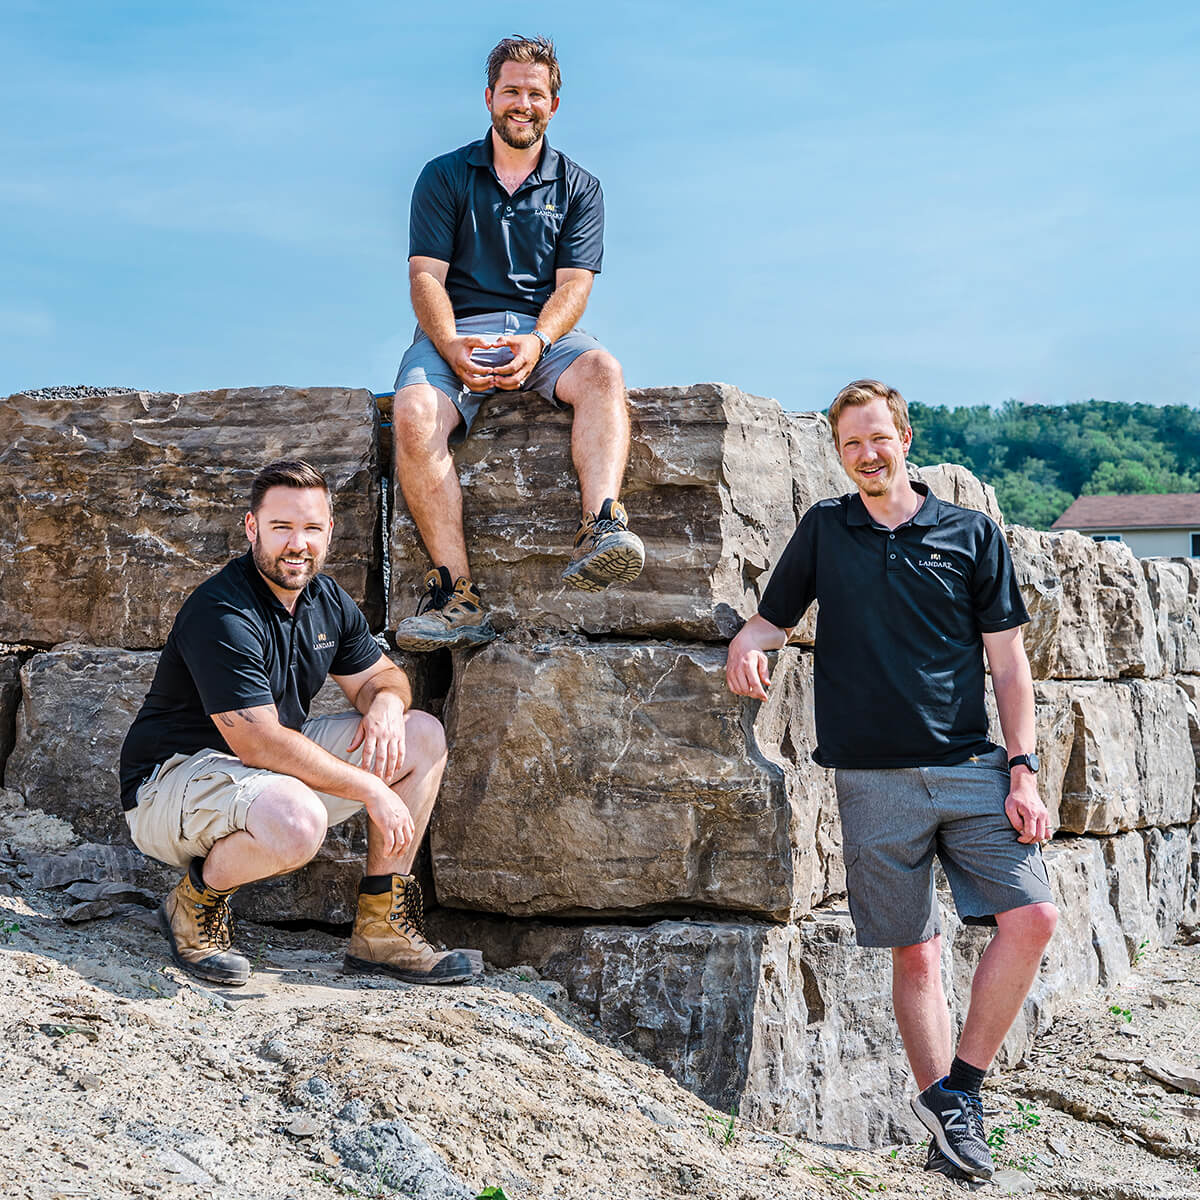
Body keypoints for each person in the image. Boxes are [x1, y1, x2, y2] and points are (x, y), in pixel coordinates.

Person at [725, 380, 1058, 1182]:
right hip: (872, 781)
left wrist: (1024, 770)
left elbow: (1008, 665)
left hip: (973, 768)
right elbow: (775, 615)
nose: (867, 455)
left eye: (879, 439)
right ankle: (948, 1122)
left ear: (904, 438)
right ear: (838, 456)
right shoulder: (824, 530)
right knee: (916, 953)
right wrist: (748, 641)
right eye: (851, 446)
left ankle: (960, 1091)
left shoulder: (970, 533)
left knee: (1034, 916)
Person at [119, 460, 478, 988]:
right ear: (251, 527)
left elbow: (385, 678)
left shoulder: (325, 599)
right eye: (281, 527)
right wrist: (370, 791)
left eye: (311, 529)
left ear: (329, 531)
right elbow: (260, 741)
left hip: (256, 772)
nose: (297, 544)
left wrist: (384, 704)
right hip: (173, 781)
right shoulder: (221, 611)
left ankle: (381, 930)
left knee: (420, 734)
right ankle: (191, 905)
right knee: (297, 821)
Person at [390, 34, 643, 651]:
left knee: (604, 371)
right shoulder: (443, 176)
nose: (521, 104)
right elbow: (426, 275)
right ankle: (457, 596)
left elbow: (576, 286)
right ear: (489, 98)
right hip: (458, 330)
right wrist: (448, 343)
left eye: (535, 93)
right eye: (511, 92)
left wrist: (538, 339)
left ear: (554, 104)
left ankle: (601, 528)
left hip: (543, 332)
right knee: (414, 410)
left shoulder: (580, 187)